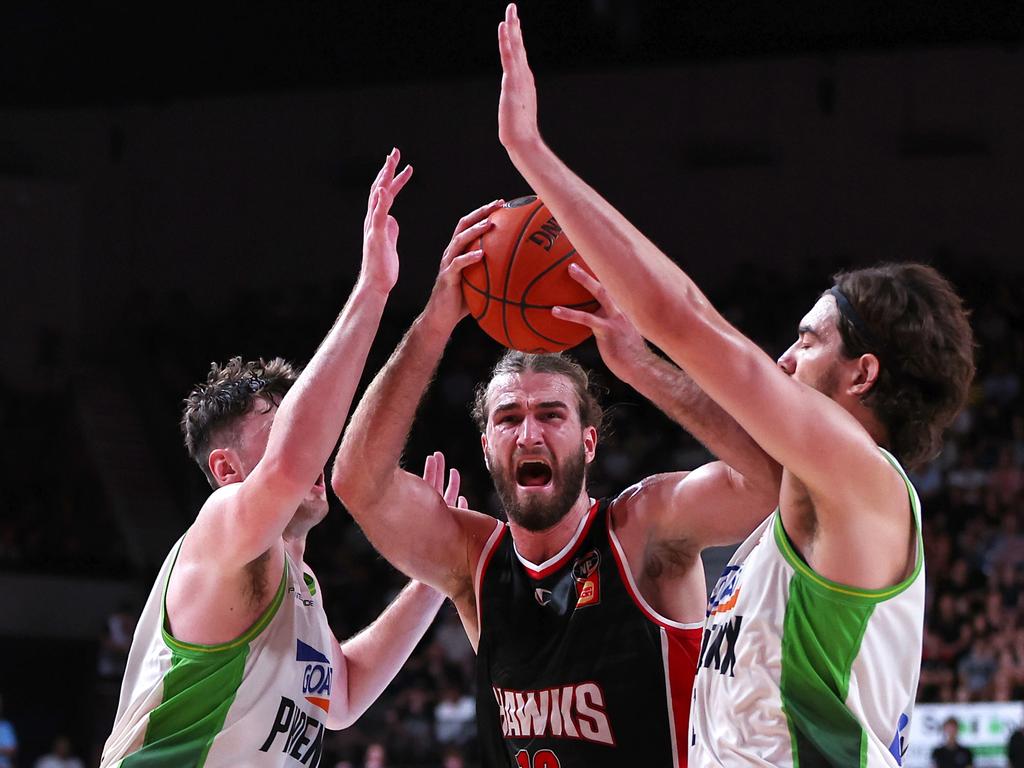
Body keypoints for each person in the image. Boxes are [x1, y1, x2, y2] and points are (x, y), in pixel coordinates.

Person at [492, 4, 976, 766]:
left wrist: (533, 156)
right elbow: (754, 449)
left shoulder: (862, 478)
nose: (783, 358)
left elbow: (683, 316)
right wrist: (640, 368)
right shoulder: (813, 503)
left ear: (864, 373)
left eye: (808, 339)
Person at [333, 200, 780, 767]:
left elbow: (769, 481)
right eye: (508, 418)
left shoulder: (643, 530)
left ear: (589, 443)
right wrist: (435, 321)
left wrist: (641, 367)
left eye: (550, 414)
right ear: (487, 446)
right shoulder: (473, 561)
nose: (528, 433)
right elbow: (356, 480)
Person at [101, 150, 450, 768]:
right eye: (279, 426)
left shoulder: (302, 587)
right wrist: (373, 290)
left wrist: (432, 577)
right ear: (227, 472)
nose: (311, 449)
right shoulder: (220, 532)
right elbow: (289, 465)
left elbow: (339, 698)